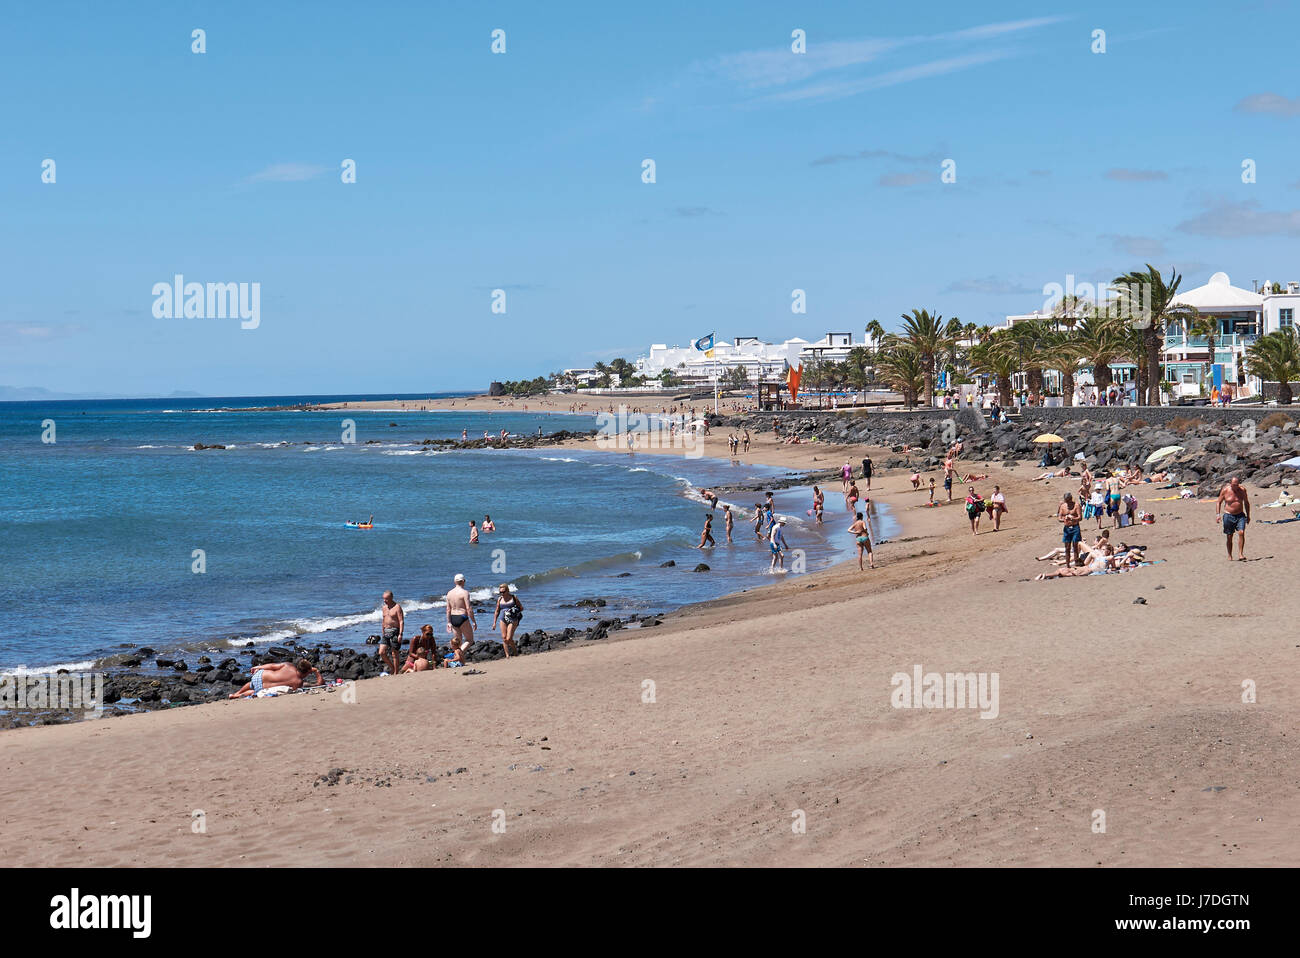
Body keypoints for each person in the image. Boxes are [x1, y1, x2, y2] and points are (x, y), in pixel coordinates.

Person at [229, 658, 322, 698]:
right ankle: (236, 696)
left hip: (261, 675)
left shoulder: (288, 665)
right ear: (307, 672)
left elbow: (272, 666)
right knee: (254, 692)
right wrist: (317, 671)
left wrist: (258, 667)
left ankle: (236, 693)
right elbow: (319, 684)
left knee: (251, 684)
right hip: (261, 689)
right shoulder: (298, 683)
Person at [445, 573, 476, 665]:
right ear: (463, 581)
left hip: (453, 617)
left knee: (458, 642)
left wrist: (449, 622)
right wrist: (473, 621)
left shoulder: (449, 593)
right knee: (469, 640)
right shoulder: (465, 593)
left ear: (455, 582)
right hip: (462, 617)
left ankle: (460, 661)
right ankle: (457, 655)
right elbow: (468, 609)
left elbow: (448, 609)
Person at [1217, 476, 1251, 561]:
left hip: (1240, 515)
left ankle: (1240, 554)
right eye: (1233, 485)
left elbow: (1246, 502)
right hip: (1228, 515)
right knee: (1229, 536)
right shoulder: (1225, 490)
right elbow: (1219, 502)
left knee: (1241, 532)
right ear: (1230, 484)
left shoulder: (1242, 490)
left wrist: (1248, 515)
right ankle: (1230, 555)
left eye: (1236, 485)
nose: (1235, 487)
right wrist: (1218, 515)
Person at [491, 584, 523, 657]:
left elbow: (521, 608)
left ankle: (515, 652)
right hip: (502, 619)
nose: (502, 593)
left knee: (509, 638)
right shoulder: (500, 599)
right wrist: (494, 623)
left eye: (503, 592)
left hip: (513, 619)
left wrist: (514, 610)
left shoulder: (513, 597)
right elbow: (497, 611)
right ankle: (507, 655)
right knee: (504, 638)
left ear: (508, 590)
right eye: (500, 592)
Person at [379, 590, 404, 675]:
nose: (384, 601)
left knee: (394, 653)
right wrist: (382, 630)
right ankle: (392, 667)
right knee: (381, 652)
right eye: (383, 599)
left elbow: (401, 621)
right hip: (386, 631)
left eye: (386, 599)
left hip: (395, 631)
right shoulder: (384, 608)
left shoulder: (397, 607)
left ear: (391, 598)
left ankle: (396, 672)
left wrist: (400, 634)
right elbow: (383, 619)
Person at [1058, 492, 1083, 568]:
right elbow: (1059, 518)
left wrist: (1072, 518)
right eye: (1066, 501)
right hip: (1067, 528)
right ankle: (1068, 565)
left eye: (1068, 501)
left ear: (1070, 499)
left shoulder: (1076, 505)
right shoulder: (1063, 506)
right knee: (1067, 547)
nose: (1067, 503)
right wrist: (1064, 519)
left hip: (1075, 527)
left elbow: (1080, 517)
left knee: (1075, 545)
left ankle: (1076, 563)